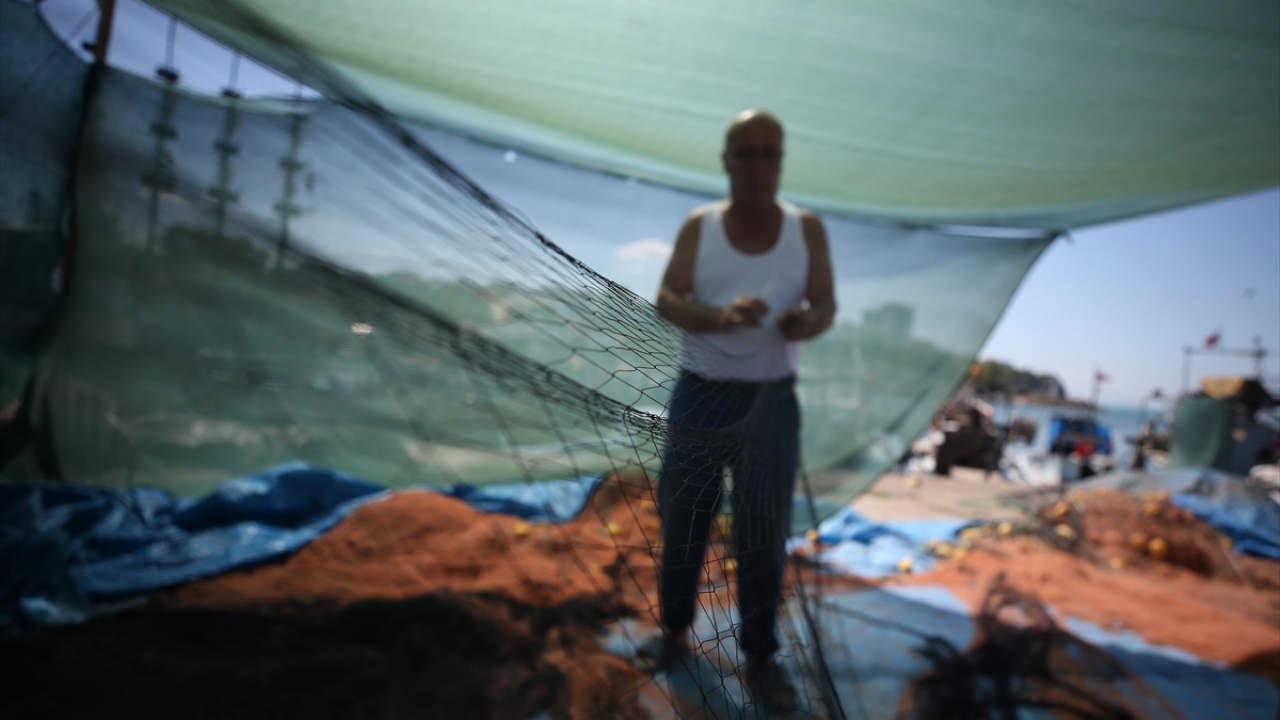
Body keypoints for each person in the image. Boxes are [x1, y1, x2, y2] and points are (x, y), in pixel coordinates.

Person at [653, 109, 836, 710]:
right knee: (684, 517)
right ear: (726, 161)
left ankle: (760, 654)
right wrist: (720, 316)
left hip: (771, 402)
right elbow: (667, 299)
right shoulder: (699, 226)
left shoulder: (806, 229)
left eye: (770, 154)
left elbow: (825, 306)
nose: (759, 166)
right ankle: (674, 631)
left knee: (762, 532)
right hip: (699, 394)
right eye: (746, 153)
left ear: (781, 163)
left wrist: (803, 322)